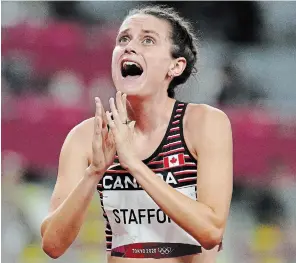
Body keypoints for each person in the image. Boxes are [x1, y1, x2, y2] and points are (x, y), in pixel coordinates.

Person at [41, 5, 233, 263]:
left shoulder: (204, 123)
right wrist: (94, 173)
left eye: (148, 40)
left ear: (175, 66)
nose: (129, 47)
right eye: (123, 39)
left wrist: (135, 165)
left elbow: (210, 231)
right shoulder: (88, 137)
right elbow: (52, 245)